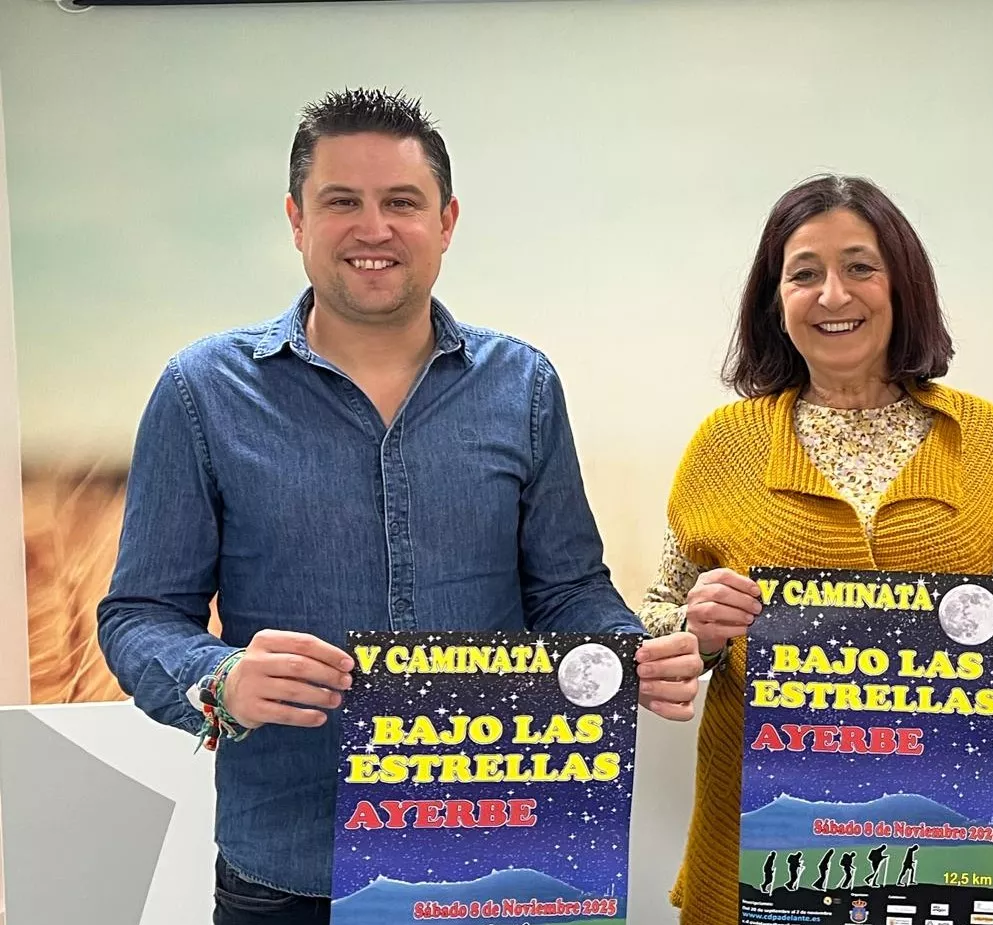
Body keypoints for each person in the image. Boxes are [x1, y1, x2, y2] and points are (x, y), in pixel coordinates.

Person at [95, 88, 705, 925]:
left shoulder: (523, 386)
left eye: (402, 202)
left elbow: (567, 590)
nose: (373, 228)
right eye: (341, 201)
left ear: (446, 222)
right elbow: (138, 615)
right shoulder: (201, 393)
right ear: (295, 218)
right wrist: (221, 679)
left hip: (497, 852)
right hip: (287, 869)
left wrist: (628, 651)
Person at [638, 174, 993, 923]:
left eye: (859, 267)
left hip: (939, 841)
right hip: (761, 857)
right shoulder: (725, 445)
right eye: (804, 273)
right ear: (774, 302)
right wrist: (695, 629)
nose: (833, 295)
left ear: (901, 285)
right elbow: (660, 619)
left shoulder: (984, 437)